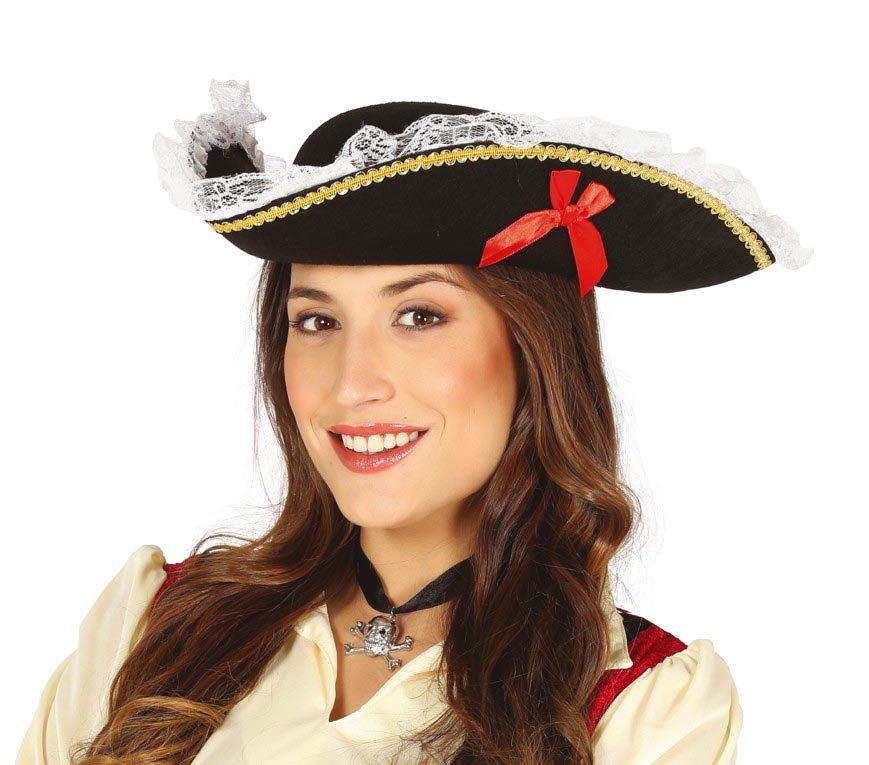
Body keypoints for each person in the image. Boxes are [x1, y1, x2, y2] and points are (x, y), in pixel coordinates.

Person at [16, 79, 812, 765]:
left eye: (419, 316)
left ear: (532, 349)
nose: (351, 384)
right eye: (317, 321)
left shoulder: (641, 707)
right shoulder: (156, 622)